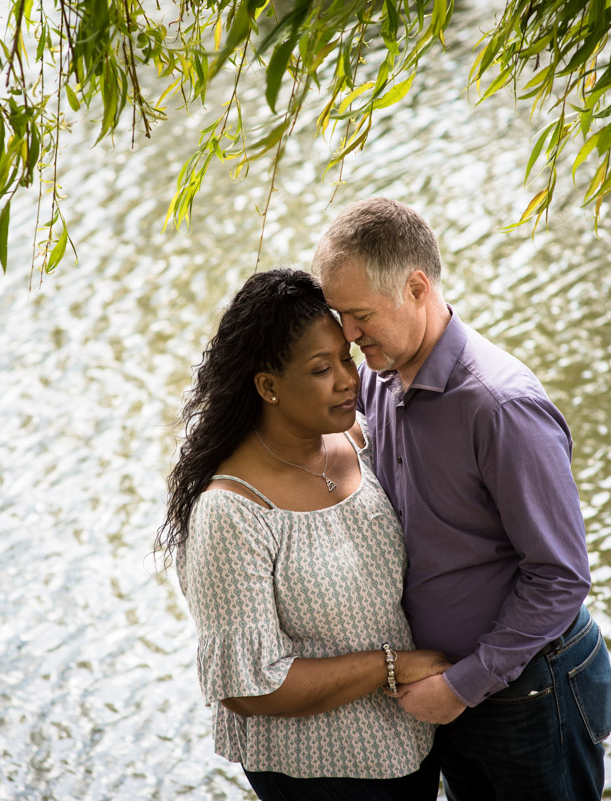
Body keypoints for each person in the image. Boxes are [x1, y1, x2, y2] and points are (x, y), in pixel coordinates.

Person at [313, 198, 611, 800]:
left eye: (360, 315)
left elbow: (560, 576)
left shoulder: (501, 409)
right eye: (339, 315)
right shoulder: (377, 377)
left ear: (417, 287)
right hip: (447, 689)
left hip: (532, 690)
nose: (348, 336)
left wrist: (460, 688)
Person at [157, 268, 447, 801]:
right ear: (268, 386)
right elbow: (252, 687)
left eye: (346, 359)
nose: (347, 380)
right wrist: (394, 665)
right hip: (322, 777)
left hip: (412, 745)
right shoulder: (232, 512)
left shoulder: (357, 437)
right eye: (321, 369)